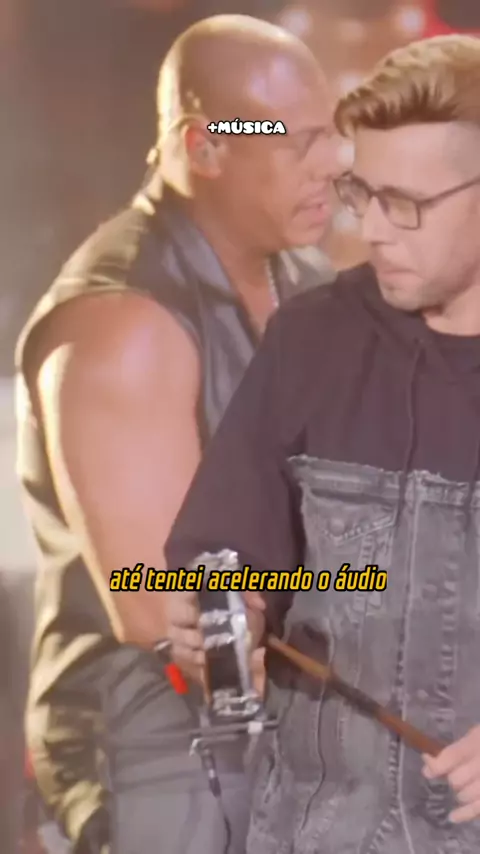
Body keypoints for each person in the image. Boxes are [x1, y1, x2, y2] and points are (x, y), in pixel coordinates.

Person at [15, 13, 335, 854]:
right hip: (153, 735)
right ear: (205, 145)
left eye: (331, 134)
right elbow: (167, 605)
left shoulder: (303, 278)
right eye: (297, 141)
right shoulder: (121, 328)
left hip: (282, 699)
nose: (333, 162)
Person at [164, 34, 480, 853]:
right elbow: (221, 568)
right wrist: (218, 619)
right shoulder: (310, 340)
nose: (370, 229)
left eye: (404, 203)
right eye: (359, 192)